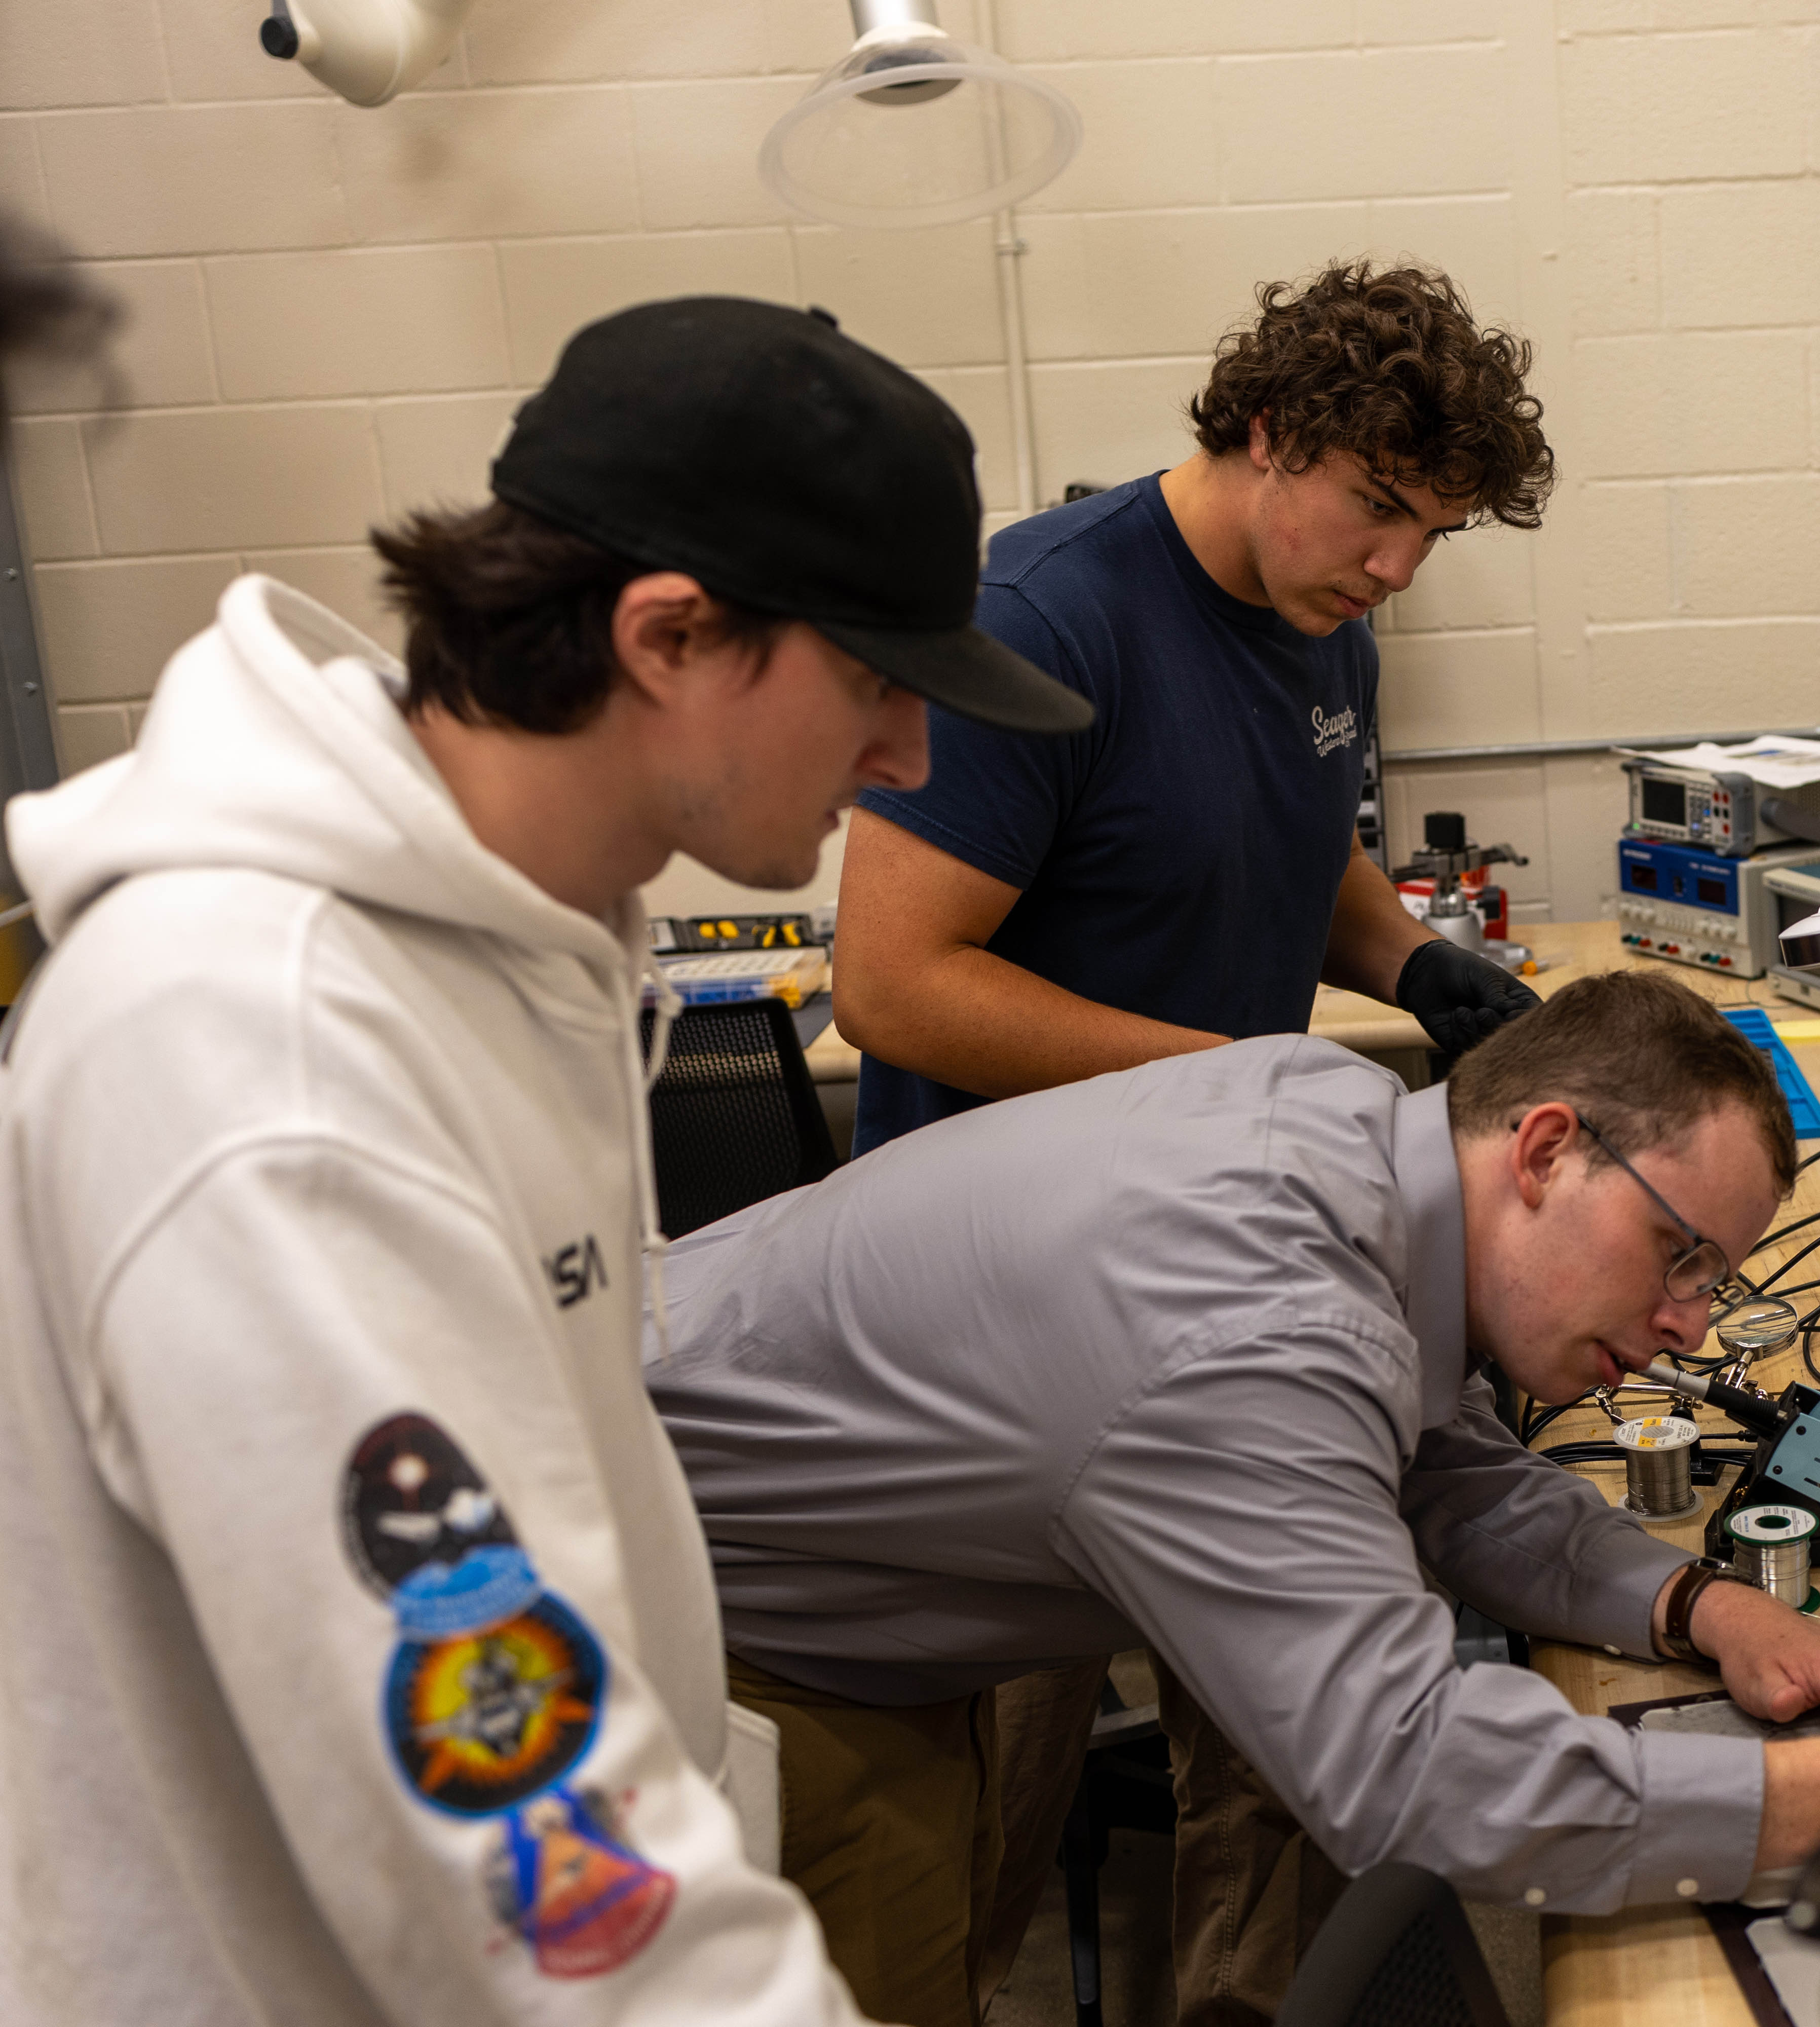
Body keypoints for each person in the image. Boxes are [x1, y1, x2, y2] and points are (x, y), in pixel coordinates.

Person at [0, 294, 1089, 2023]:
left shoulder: (538, 952)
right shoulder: (264, 1054)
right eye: (877, 682)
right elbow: (505, 1802)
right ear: (667, 635)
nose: (911, 759)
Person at [647, 970, 1820, 2025]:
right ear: (1543, 1149)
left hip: (845, 1569)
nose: (1692, 1328)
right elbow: (1404, 1769)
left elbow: (1433, 1457)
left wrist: (1697, 1601)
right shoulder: (1250, 1330)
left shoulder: (1352, 1123)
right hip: (711, 1629)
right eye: (1681, 1258)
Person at [833, 258, 1554, 1155]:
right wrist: (1237, 1086)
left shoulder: (1333, 630)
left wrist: (1411, 961)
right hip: (1011, 1233)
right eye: (1378, 505)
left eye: (1431, 537)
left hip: (1201, 1195)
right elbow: (889, 989)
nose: (1396, 570)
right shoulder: (1033, 622)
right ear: (1272, 432)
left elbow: (1284, 848)